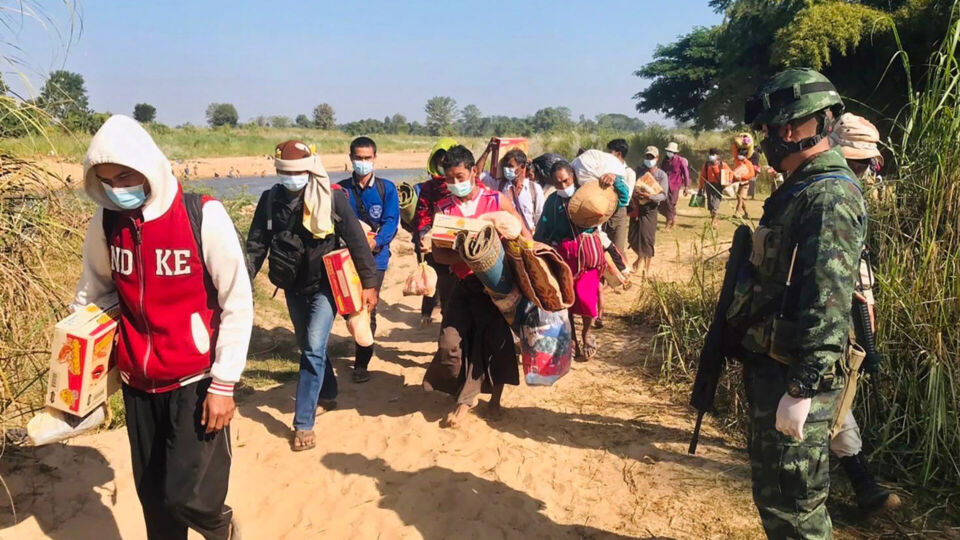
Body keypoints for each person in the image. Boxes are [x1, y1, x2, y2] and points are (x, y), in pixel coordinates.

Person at [72, 115, 252, 539]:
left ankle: (221, 527)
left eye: (125, 176)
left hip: (194, 382)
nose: (117, 187)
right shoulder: (106, 223)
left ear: (148, 166)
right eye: (106, 180)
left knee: (186, 498)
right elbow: (92, 294)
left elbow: (237, 302)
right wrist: (77, 363)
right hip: (139, 386)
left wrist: (224, 384)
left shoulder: (202, 215)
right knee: (155, 505)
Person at [731, 68, 867, 538]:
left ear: (790, 129)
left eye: (768, 129)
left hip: (797, 376)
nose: (766, 139)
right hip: (776, 367)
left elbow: (826, 303)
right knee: (777, 500)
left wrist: (802, 389)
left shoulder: (828, 195)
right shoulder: (800, 189)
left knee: (796, 510)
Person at [246, 140, 378, 451]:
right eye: (284, 171)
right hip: (292, 286)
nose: (291, 177)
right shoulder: (269, 201)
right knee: (309, 346)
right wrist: (241, 285)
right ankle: (329, 393)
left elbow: (357, 241)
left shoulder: (331, 198)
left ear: (310, 169)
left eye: (298, 171)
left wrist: (370, 283)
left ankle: (303, 423)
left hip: (326, 285)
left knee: (312, 349)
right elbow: (255, 247)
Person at [422, 145, 526, 428]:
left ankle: (480, 400)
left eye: (460, 176)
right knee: (450, 343)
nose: (455, 184)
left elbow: (522, 236)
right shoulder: (444, 210)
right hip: (462, 284)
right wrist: (469, 254)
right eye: (450, 179)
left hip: (496, 286)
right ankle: (463, 391)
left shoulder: (496, 200)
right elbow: (440, 254)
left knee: (495, 342)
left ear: (474, 172)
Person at [828, 113, 900, 514]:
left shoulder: (848, 195)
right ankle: (862, 483)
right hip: (828, 323)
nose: (861, 171)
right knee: (836, 398)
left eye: (864, 164)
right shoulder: (830, 195)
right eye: (855, 162)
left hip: (847, 320)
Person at [338, 136, 400, 383]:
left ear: (375, 159)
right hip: (346, 259)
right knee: (348, 307)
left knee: (366, 307)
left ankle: (361, 362)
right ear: (351, 158)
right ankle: (359, 341)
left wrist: (375, 241)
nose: (363, 162)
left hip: (376, 259)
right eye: (358, 158)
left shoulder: (386, 189)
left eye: (367, 158)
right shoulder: (341, 190)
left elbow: (391, 222)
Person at [534, 162, 604, 362]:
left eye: (566, 180)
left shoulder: (587, 195)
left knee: (585, 297)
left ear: (573, 176)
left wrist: (613, 180)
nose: (563, 186)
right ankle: (572, 338)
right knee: (567, 301)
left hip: (586, 254)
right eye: (558, 183)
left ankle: (587, 332)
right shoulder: (552, 202)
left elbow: (620, 199)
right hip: (562, 256)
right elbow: (543, 229)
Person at [414, 137, 459, 326]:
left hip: (460, 246)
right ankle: (433, 314)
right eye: (439, 162)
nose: (442, 166)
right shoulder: (428, 188)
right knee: (435, 281)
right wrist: (425, 235)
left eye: (446, 162)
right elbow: (422, 214)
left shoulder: (461, 185)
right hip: (435, 244)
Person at [628, 146, 669, 276]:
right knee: (633, 238)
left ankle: (646, 268)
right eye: (647, 157)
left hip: (650, 210)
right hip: (636, 208)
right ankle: (639, 258)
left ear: (657, 158)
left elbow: (663, 195)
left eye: (651, 157)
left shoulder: (661, 175)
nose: (649, 159)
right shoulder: (639, 171)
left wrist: (649, 196)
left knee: (647, 239)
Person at [482, 148, 544, 232]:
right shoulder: (500, 185)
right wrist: (488, 150)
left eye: (510, 166)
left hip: (527, 236)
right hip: (506, 236)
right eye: (505, 167)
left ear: (522, 167)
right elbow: (478, 174)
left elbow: (539, 216)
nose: (507, 170)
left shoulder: (534, 189)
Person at [604, 139, 636, 254]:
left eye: (610, 152)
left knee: (617, 251)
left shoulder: (629, 173)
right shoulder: (605, 170)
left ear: (619, 154)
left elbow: (626, 199)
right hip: (604, 213)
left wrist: (616, 180)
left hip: (618, 213)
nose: (607, 155)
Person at [658, 141, 690, 230]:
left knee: (671, 203)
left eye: (671, 152)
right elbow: (660, 171)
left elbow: (686, 173)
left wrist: (686, 187)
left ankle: (668, 224)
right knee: (663, 204)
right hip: (665, 185)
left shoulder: (680, 161)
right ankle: (673, 219)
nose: (669, 153)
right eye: (668, 151)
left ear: (675, 152)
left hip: (675, 185)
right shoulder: (665, 160)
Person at [697, 148, 733, 228]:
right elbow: (702, 177)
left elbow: (730, 173)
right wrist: (700, 188)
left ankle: (713, 222)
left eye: (713, 154)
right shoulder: (706, 165)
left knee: (715, 205)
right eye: (710, 154)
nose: (711, 156)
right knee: (710, 205)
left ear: (717, 156)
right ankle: (715, 220)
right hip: (709, 186)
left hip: (718, 186)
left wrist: (729, 181)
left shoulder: (722, 165)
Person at [731, 134, 758, 219]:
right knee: (741, 199)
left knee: (740, 199)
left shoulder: (748, 163)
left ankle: (737, 213)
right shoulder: (737, 160)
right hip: (738, 183)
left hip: (745, 184)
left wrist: (742, 177)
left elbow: (751, 174)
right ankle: (746, 213)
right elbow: (734, 150)